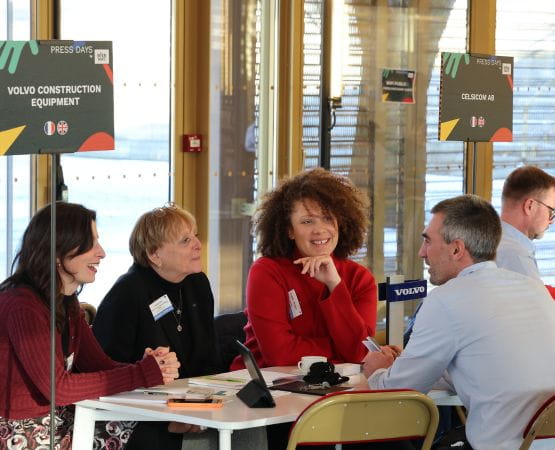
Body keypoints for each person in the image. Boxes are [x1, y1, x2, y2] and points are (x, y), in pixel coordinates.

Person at [362, 194, 555, 449]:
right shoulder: (533, 288)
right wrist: (414, 364)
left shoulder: (445, 299)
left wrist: (376, 370)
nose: (422, 253)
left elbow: (397, 391)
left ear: (456, 249)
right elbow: (490, 364)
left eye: (427, 241)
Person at [0, 202, 179, 449]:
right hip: (19, 431)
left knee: (160, 430)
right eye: (91, 243)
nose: (102, 252)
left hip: (57, 420)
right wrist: (141, 374)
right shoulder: (23, 305)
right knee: (150, 437)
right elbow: (58, 388)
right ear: (58, 250)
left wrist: (147, 368)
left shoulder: (66, 302)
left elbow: (100, 367)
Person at [93, 204, 266, 450]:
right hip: (143, 414)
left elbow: (208, 358)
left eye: (195, 235)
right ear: (155, 255)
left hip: (193, 403)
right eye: (185, 240)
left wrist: (214, 401)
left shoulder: (197, 283)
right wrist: (171, 419)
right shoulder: (127, 294)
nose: (198, 243)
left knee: (250, 425)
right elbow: (108, 375)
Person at [231, 168, 378, 370]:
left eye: (328, 218)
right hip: (268, 387)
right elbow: (280, 355)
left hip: (336, 386)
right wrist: (340, 349)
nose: (319, 229)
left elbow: (360, 352)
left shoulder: (360, 278)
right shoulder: (267, 272)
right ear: (290, 230)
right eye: (307, 221)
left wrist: (334, 284)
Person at [497, 165, 555, 280]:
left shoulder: (486, 239)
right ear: (530, 206)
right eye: (551, 211)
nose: (551, 221)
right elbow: (536, 298)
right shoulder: (517, 259)